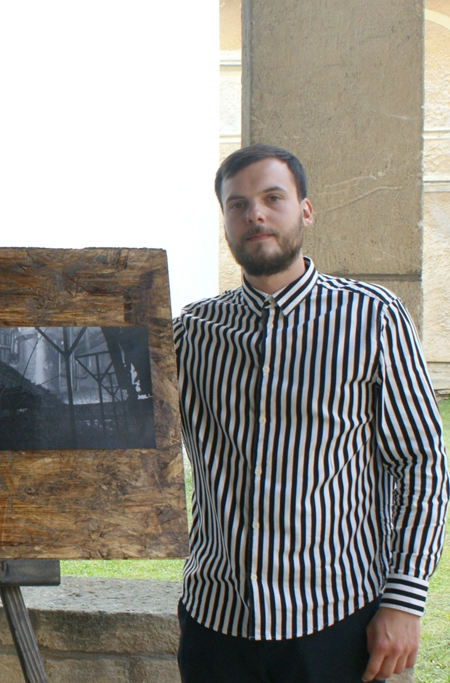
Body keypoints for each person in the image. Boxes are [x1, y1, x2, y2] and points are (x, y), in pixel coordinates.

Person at [173, 144, 449, 683]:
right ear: (225, 221)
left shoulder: (373, 318)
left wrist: (404, 600)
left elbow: (421, 463)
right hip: (215, 624)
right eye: (237, 204)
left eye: (272, 198)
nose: (255, 214)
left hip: (334, 622)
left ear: (305, 210)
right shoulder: (191, 334)